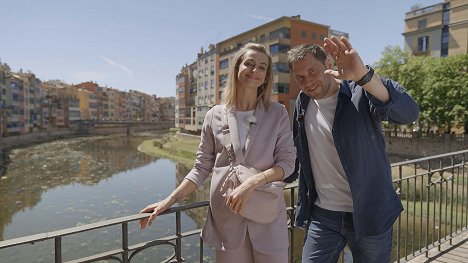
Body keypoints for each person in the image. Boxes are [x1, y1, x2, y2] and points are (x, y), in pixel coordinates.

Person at [140, 43, 296, 263]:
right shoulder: (214, 115)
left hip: (268, 215)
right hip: (227, 219)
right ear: (237, 68)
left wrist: (251, 184)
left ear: (267, 76)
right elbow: (201, 167)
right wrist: (169, 200)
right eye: (249, 64)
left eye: (262, 67)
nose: (255, 71)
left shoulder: (277, 113)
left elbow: (288, 162)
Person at [284, 36, 419, 263]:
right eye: (300, 78)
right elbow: (299, 148)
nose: (307, 82)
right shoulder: (302, 101)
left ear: (328, 65)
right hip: (323, 214)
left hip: (369, 213)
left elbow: (409, 113)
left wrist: (364, 77)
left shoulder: (361, 91)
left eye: (313, 72)